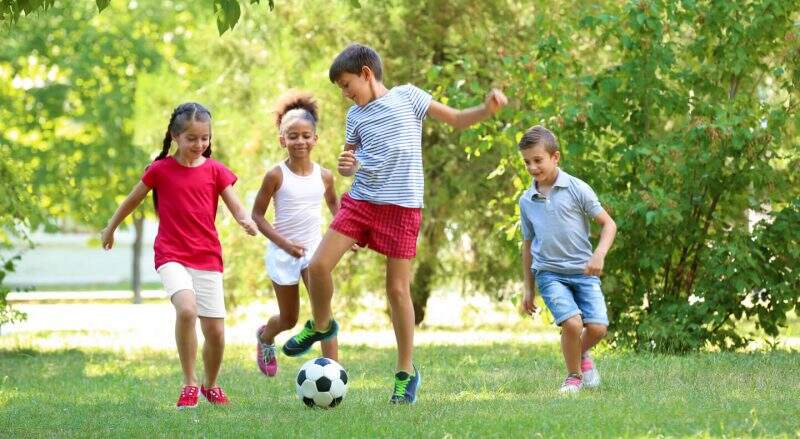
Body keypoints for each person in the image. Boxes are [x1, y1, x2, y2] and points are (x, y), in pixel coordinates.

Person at [281, 43, 508, 404]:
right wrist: (346, 166)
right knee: (319, 265)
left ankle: (405, 373)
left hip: (402, 208)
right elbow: (351, 159)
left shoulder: (409, 98)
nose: (345, 93)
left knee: (397, 291)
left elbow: (455, 119)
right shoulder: (355, 117)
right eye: (340, 88)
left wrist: (485, 109)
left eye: (346, 84)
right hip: (361, 202)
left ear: (367, 74)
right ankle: (320, 325)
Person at [101, 102, 257, 408]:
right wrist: (111, 227)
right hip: (171, 253)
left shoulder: (215, 170)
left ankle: (209, 384)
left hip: (207, 256)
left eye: (205, 138)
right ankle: (189, 382)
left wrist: (245, 220)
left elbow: (234, 204)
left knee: (215, 332)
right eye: (192, 139)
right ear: (175, 136)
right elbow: (131, 200)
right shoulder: (160, 170)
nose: (199, 145)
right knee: (187, 310)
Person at [517, 125, 617, 394]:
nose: (532, 167)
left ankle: (580, 355)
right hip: (549, 273)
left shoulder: (576, 188)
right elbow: (527, 245)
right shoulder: (526, 200)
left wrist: (599, 255)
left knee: (597, 328)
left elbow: (608, 225)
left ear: (555, 157)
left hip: (584, 271)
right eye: (527, 162)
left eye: (538, 160)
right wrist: (528, 288)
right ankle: (573, 376)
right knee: (572, 323)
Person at [251, 91, 341, 377]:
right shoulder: (276, 175)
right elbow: (257, 216)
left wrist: (345, 234)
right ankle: (266, 336)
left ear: (315, 138)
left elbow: (335, 205)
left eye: (305, 135)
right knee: (289, 318)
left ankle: (334, 371)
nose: (299, 141)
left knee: (323, 313)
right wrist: (285, 244)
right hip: (282, 252)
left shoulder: (325, 176)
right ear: (282, 139)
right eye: (292, 136)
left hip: (314, 252)